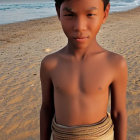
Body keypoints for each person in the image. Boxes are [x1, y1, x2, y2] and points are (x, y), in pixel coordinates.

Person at [40, 0, 128, 139]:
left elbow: (118, 112)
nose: (79, 27)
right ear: (58, 12)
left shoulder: (115, 63)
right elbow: (46, 108)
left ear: (105, 13)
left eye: (90, 14)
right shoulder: (50, 64)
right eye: (69, 15)